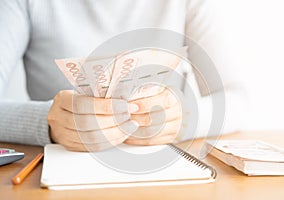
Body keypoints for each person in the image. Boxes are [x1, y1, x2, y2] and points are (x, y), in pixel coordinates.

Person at [0, 0, 245, 151]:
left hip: (165, 167)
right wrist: (47, 123)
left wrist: (185, 118)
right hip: (62, 165)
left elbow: (238, 100)